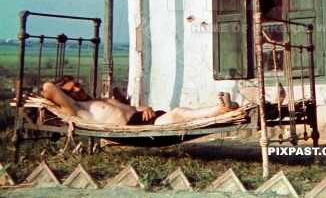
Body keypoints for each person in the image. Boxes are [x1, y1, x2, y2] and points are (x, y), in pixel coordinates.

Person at [42, 76, 239, 126]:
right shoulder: (74, 108)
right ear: (65, 96)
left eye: (77, 84)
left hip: (145, 118)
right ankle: (219, 110)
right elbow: (48, 88)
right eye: (72, 89)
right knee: (179, 113)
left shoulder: (99, 99)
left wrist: (147, 108)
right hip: (135, 126)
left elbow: (135, 107)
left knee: (180, 112)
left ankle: (222, 110)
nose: (78, 88)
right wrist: (62, 95)